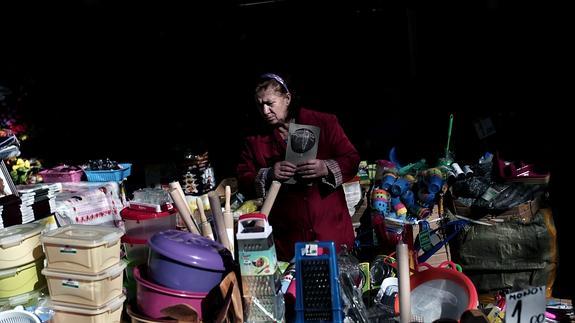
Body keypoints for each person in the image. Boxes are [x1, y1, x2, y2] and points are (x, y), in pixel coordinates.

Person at [237, 73, 360, 261]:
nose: (265, 110)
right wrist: (269, 173)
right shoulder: (255, 139)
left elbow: (351, 159)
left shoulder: (323, 122)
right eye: (260, 104)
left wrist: (326, 167)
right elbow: (243, 176)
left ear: (287, 99)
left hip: (330, 229)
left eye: (270, 103)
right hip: (289, 239)